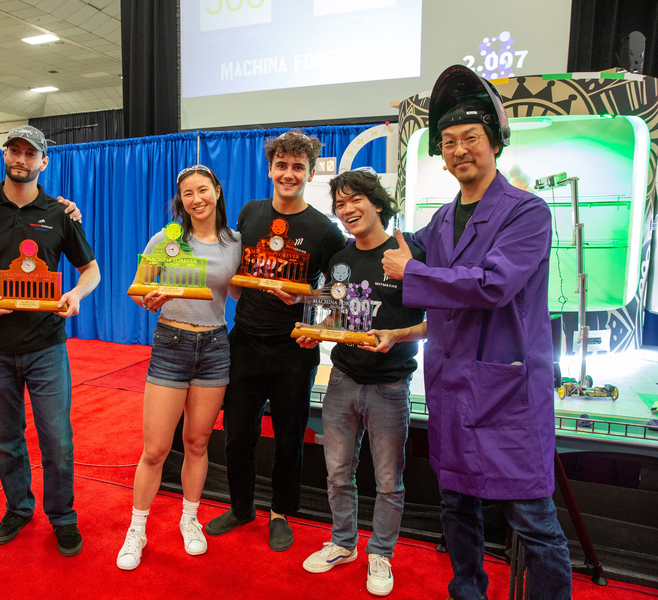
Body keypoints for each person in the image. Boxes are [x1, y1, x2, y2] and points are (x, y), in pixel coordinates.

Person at [381, 65, 572, 600]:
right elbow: (400, 246)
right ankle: (468, 591)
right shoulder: (443, 218)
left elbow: (492, 284)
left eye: (470, 139)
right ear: (440, 155)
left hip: (508, 391)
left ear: (494, 142)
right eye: (448, 142)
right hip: (452, 386)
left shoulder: (527, 213)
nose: (460, 150)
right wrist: (359, 219)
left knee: (534, 520)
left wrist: (410, 271)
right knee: (455, 507)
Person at [0, 125, 100, 557]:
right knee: (5, 437)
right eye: (13, 151)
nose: (21, 159)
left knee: (56, 438)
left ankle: (63, 517)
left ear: (44, 161)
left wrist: (75, 295)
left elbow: (90, 269)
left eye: (29, 154)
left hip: (46, 345)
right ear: (4, 155)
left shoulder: (59, 213)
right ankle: (18, 507)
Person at [206, 130, 346, 551]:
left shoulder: (325, 230)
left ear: (310, 172)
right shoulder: (249, 212)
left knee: (289, 437)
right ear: (270, 169)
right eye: (281, 165)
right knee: (236, 433)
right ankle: (242, 506)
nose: (289, 174)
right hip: (244, 343)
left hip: (293, 351)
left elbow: (338, 296)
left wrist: (310, 311)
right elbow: (233, 268)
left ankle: (281, 512)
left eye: (297, 167)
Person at [295, 169, 425, 597]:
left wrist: (400, 336)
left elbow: (441, 319)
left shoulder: (408, 253)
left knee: (389, 480)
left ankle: (381, 553)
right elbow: (337, 314)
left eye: (355, 201)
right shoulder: (339, 260)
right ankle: (343, 542)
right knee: (337, 473)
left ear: (378, 204)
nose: (347, 210)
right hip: (342, 380)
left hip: (390, 386)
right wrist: (315, 327)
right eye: (340, 205)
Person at [117, 165, 242, 570]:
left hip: (215, 344)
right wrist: (148, 299)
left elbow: (238, 289)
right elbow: (138, 288)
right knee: (154, 449)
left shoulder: (235, 242)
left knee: (197, 442)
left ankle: (190, 519)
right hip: (171, 341)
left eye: (202, 190)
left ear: (217, 192)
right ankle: (137, 528)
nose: (196, 199)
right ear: (181, 201)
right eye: (187, 193)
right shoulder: (165, 240)